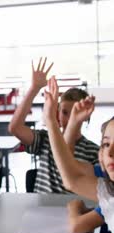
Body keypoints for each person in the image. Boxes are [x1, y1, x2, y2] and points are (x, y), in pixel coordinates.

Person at [8, 57, 99, 193]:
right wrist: (34, 88)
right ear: (57, 112)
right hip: (42, 209)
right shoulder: (46, 138)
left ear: (86, 116)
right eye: (64, 112)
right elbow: (15, 128)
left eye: (75, 113)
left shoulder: (93, 151)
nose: (69, 119)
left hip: (72, 211)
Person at [43, 76, 114, 231]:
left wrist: (75, 207)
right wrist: (73, 122)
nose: (111, 152)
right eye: (106, 144)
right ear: (100, 155)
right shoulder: (110, 189)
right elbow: (70, 172)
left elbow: (76, 227)